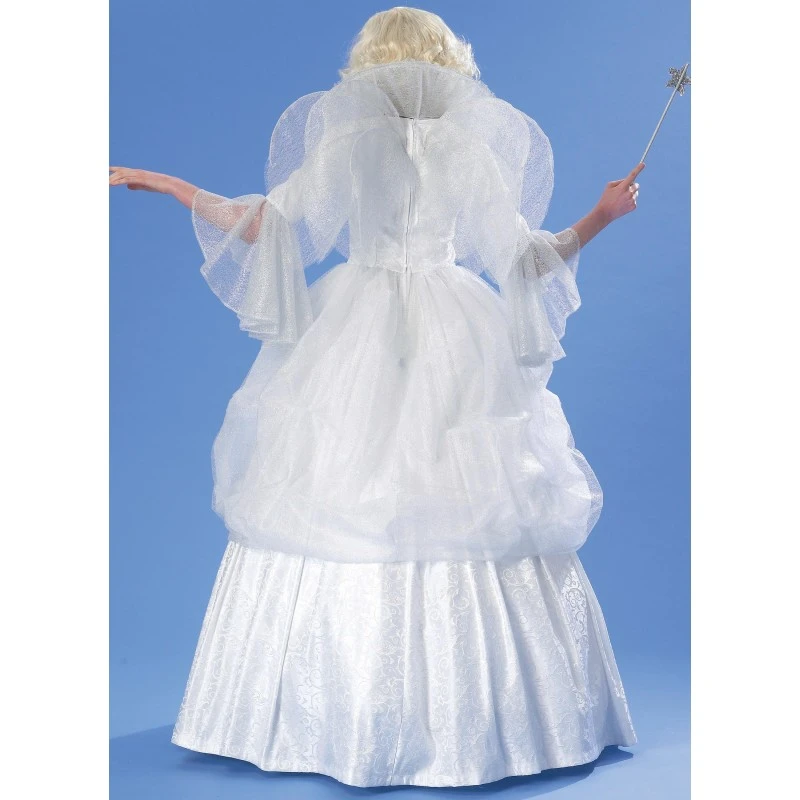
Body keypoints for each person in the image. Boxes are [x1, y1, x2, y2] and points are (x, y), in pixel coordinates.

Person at [110, 6, 642, 788]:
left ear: (367, 65)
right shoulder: (467, 148)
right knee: (464, 494)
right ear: (450, 62)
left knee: (340, 487)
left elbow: (263, 227)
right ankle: (484, 723)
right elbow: (528, 261)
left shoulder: (347, 142)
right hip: (455, 325)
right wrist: (602, 216)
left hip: (351, 324)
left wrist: (168, 184)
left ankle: (327, 719)